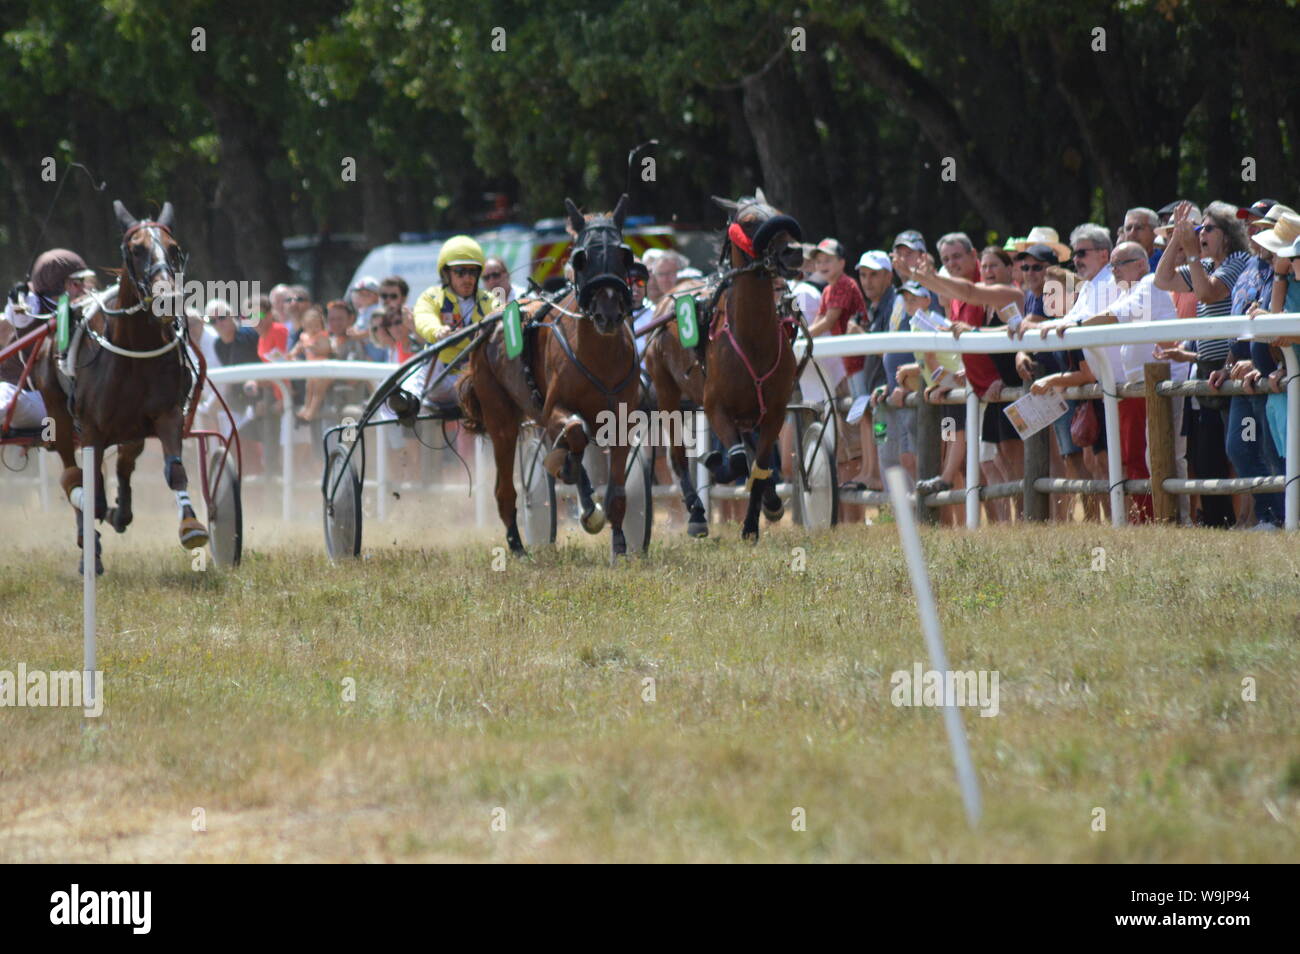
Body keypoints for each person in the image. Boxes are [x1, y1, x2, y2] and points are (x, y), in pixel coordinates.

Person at [1154, 200, 1252, 527]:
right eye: (1199, 229)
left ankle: (1246, 519)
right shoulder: (1206, 265)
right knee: (1206, 453)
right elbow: (1163, 279)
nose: (1201, 235)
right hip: (1206, 366)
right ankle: (1217, 521)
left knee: (1236, 448)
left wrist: (1192, 252)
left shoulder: (1239, 260)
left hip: (1232, 364)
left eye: (1208, 229)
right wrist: (1176, 240)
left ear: (1228, 235)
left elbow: (1209, 294)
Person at [392, 235, 496, 418]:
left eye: (472, 272)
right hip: (438, 377)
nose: (467, 278)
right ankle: (408, 402)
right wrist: (437, 330)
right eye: (460, 272)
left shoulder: (488, 300)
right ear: (446, 273)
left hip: (473, 377)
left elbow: (499, 312)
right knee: (425, 361)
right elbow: (424, 317)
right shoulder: (432, 296)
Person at [806, 239, 872, 488]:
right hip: (849, 363)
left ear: (842, 263)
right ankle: (865, 473)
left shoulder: (844, 284)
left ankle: (870, 471)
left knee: (864, 415)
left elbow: (827, 321)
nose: (822, 264)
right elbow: (823, 319)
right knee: (858, 416)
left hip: (859, 361)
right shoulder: (828, 289)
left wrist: (798, 338)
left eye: (828, 260)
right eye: (819, 260)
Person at [289, 306, 333, 422]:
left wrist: (312, 347)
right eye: (310, 326)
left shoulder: (322, 336)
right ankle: (306, 408)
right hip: (310, 369)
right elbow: (296, 349)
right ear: (304, 326)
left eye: (316, 326)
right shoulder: (304, 337)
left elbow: (326, 349)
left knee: (318, 391)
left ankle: (311, 412)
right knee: (309, 389)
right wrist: (292, 355)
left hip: (321, 368)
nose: (313, 329)